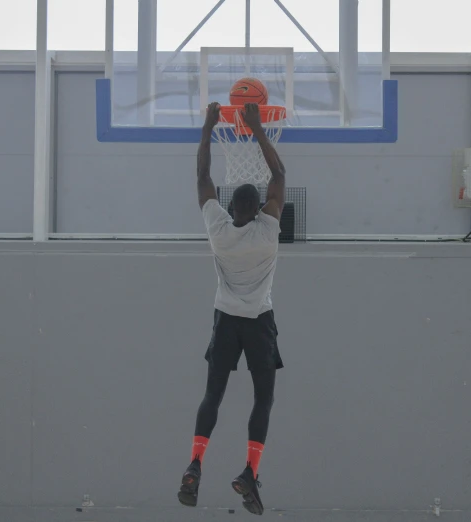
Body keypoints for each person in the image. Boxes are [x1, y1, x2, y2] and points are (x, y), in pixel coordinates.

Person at [177, 102, 287, 516]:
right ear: (257, 209)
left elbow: (203, 176)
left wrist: (208, 127)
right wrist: (257, 128)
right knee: (263, 400)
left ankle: (195, 464)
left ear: (230, 207)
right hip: (259, 324)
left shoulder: (218, 231)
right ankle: (249, 473)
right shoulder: (269, 231)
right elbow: (278, 176)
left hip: (225, 322)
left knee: (213, 396)